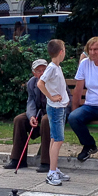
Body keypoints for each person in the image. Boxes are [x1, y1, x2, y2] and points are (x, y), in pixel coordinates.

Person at [4, 59, 52, 172]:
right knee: (19, 119)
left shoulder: (54, 81)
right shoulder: (31, 83)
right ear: (34, 73)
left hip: (53, 111)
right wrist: (31, 116)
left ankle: (46, 162)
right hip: (39, 112)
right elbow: (30, 101)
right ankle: (17, 160)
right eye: (38, 71)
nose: (41, 73)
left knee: (46, 120)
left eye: (44, 70)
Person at [38, 39, 70, 186]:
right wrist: (50, 97)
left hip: (60, 107)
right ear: (61, 52)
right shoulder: (51, 68)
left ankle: (54, 168)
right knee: (58, 139)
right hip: (55, 108)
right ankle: (51, 173)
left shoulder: (57, 67)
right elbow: (40, 83)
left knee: (54, 138)